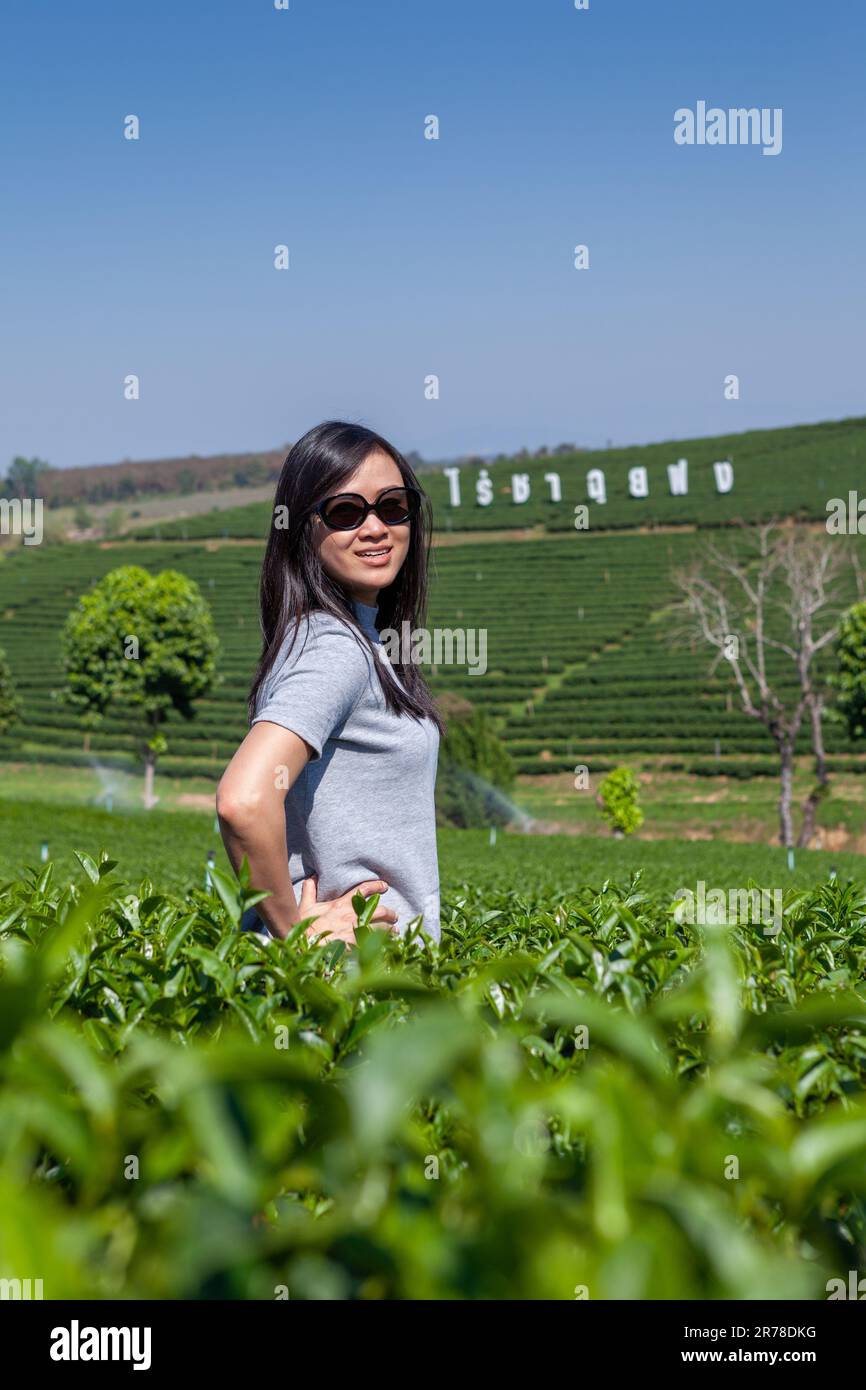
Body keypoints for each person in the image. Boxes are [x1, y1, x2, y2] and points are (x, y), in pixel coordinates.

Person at [216, 420, 443, 947]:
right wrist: (294, 934)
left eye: (392, 506)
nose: (375, 528)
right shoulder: (334, 648)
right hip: (343, 982)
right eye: (345, 512)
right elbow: (244, 800)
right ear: (301, 528)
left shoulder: (355, 642)